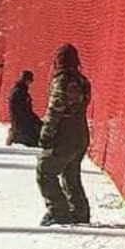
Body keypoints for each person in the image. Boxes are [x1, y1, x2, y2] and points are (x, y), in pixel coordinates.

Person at [37, 43, 92, 225]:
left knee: (45, 171)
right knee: (71, 174)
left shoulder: (62, 80)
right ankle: (80, 212)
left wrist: (46, 133)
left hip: (65, 134)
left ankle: (59, 212)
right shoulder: (83, 81)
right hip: (81, 133)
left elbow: (55, 109)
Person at [6, 69, 42, 146]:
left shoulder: (21, 89)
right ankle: (14, 135)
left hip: (24, 117)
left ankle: (15, 134)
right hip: (21, 119)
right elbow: (19, 109)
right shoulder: (19, 91)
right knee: (32, 141)